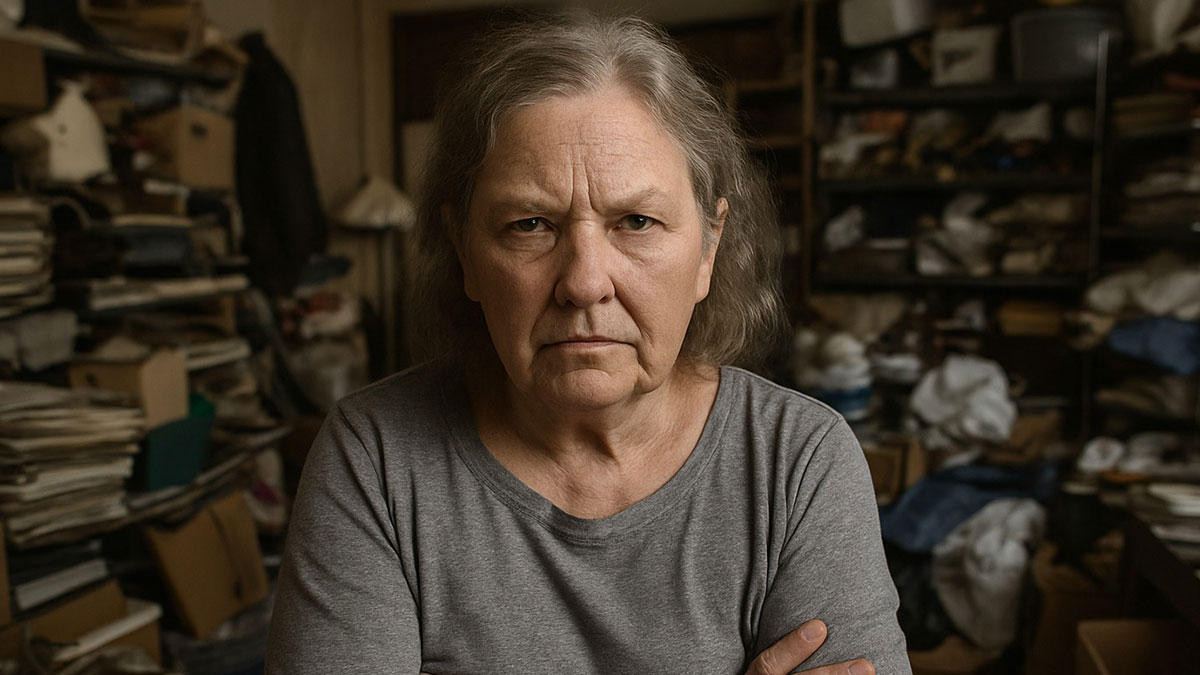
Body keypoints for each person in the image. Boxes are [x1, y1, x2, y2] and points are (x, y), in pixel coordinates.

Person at [266, 12, 910, 675]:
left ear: (708, 247)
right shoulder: (375, 458)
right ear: (463, 250)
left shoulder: (797, 463)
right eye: (529, 224)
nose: (583, 282)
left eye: (636, 220)